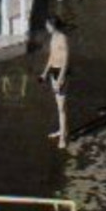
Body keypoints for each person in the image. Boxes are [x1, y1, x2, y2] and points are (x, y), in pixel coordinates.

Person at [39, 16, 70, 150]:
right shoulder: (53, 37)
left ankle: (63, 138)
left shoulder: (62, 38)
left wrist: (61, 78)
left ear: (53, 26)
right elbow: (52, 56)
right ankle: (63, 130)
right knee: (59, 105)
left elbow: (66, 60)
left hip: (60, 73)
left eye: (47, 25)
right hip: (53, 72)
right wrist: (44, 73)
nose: (46, 27)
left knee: (61, 108)